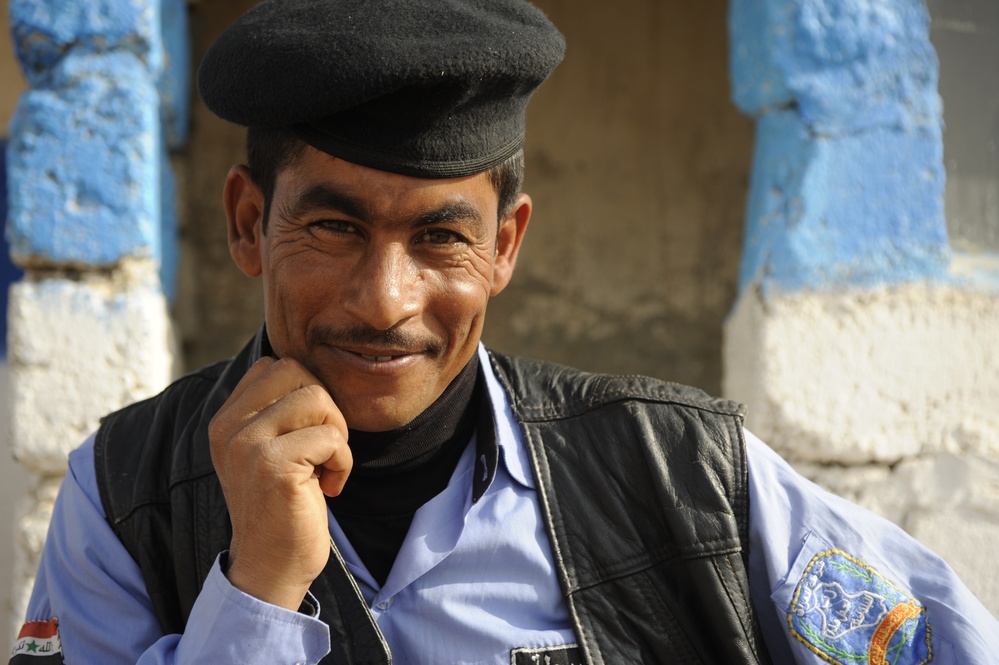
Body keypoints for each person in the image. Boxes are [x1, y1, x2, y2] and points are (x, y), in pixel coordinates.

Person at [10, 1, 999, 664]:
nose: (384, 299)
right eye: (333, 226)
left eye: (441, 235)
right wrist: (257, 583)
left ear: (506, 244)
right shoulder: (127, 493)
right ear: (245, 220)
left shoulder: (685, 471)